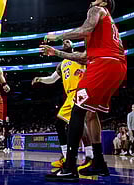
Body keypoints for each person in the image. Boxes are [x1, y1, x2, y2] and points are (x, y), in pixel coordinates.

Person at [41, 0, 127, 182]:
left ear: (103, 3)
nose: (91, 1)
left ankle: (69, 167)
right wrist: (56, 53)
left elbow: (85, 29)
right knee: (90, 113)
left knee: (77, 111)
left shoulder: (96, 11)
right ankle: (99, 162)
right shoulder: (106, 28)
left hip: (103, 65)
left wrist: (58, 36)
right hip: (117, 67)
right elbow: (83, 57)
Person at [32, 40, 92, 168]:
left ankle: (89, 156)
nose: (65, 43)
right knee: (61, 125)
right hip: (69, 96)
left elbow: (89, 62)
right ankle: (67, 156)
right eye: (63, 42)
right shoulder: (61, 64)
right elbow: (52, 79)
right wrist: (40, 79)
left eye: (68, 41)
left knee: (75, 123)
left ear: (73, 45)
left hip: (79, 91)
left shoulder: (78, 56)